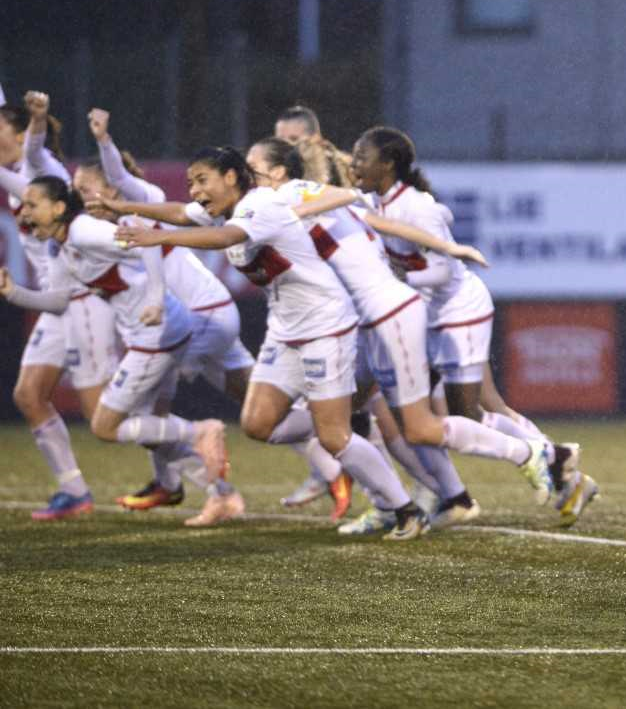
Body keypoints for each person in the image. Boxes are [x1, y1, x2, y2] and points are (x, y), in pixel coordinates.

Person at [113, 146, 429, 541]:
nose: (194, 191)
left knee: (333, 438)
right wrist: (121, 206)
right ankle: (347, 419)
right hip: (284, 331)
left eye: (202, 180)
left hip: (325, 325)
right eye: (191, 182)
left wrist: (155, 237)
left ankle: (404, 510)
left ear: (231, 177)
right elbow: (179, 212)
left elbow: (225, 237)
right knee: (259, 424)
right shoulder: (224, 208)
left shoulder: (261, 204)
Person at [239, 137, 555, 531]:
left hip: (389, 313)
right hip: (367, 321)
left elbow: (347, 199)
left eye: (252, 167)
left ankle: (527, 454)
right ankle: (409, 502)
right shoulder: (291, 208)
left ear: (279, 173)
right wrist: (449, 247)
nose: (246, 175)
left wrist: (448, 250)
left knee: (416, 426)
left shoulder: (291, 198)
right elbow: (380, 221)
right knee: (361, 417)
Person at [346, 126, 593, 522]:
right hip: (421, 315)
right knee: (414, 413)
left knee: (467, 415)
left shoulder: (416, 208)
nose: (355, 164)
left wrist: (397, 279)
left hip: (458, 312)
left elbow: (443, 271)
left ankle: (553, 456)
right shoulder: (375, 202)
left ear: (388, 164)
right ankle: (441, 494)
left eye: (362, 156)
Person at [0, 177, 228, 517]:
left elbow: (146, 241)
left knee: (105, 425)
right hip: (154, 334)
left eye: (33, 205)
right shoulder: (58, 247)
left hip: (157, 335)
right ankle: (222, 495)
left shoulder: (84, 231)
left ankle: (200, 431)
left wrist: (155, 299)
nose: (25, 213)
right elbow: (59, 302)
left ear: (59, 208)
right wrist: (13, 293)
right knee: (148, 428)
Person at [76, 108, 261, 524]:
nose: (81, 198)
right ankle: (195, 486)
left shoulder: (144, 199)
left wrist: (104, 141)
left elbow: (121, 180)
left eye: (85, 189)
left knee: (140, 415)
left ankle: (189, 474)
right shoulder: (110, 225)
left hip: (200, 316)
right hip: (199, 314)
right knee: (258, 404)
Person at [0, 93, 118, 520]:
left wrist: (38, 119)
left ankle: (198, 453)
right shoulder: (21, 173)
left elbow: (33, 149)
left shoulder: (40, 165)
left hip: (84, 299)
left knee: (104, 418)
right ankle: (74, 490)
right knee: (29, 395)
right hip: (58, 301)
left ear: (20, 134)